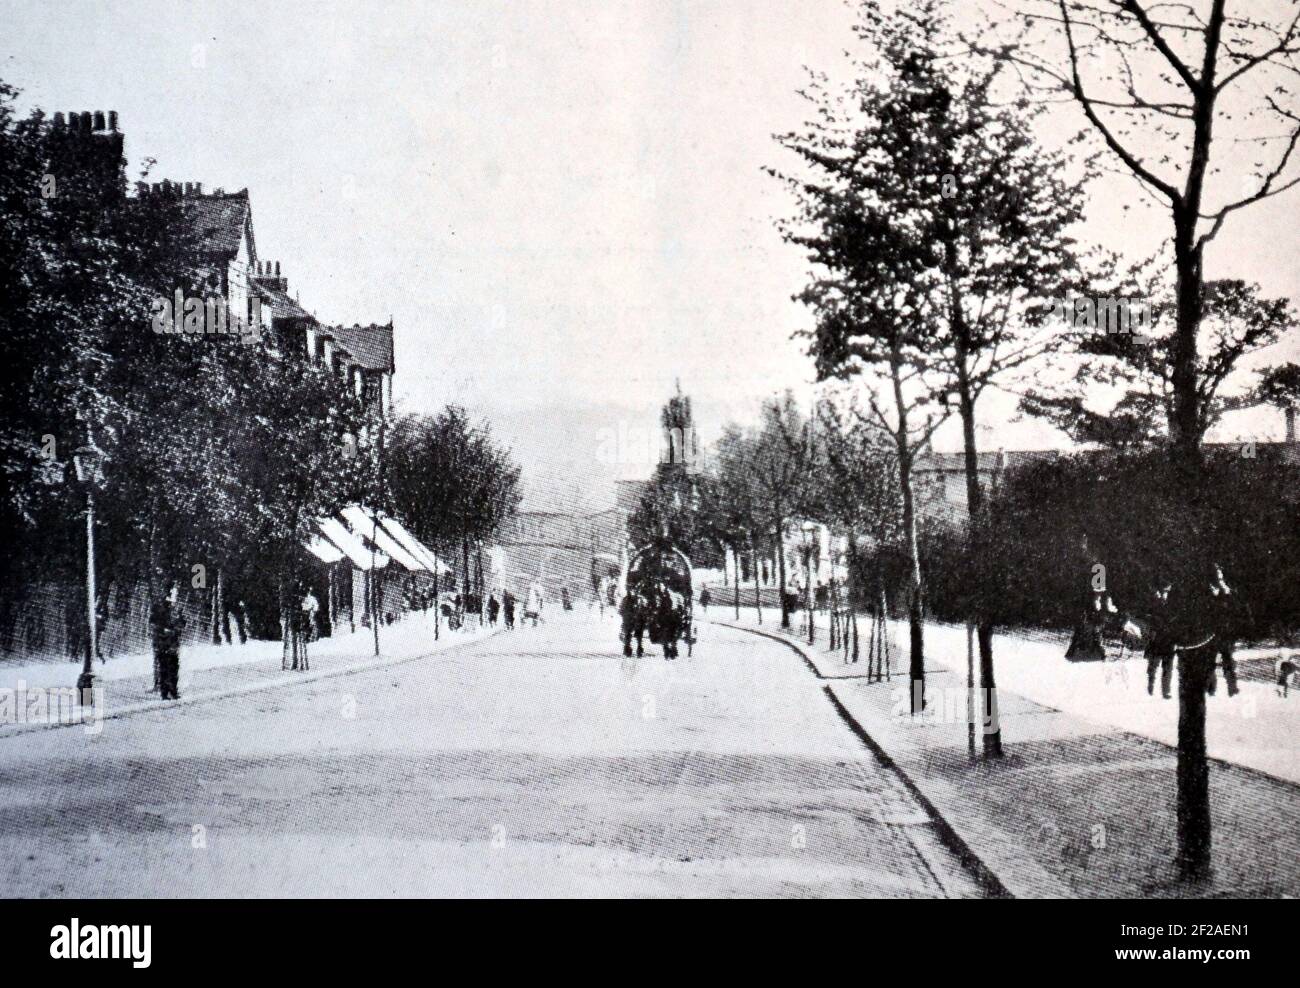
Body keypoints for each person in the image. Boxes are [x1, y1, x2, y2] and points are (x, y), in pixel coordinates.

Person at [1207, 563, 1241, 697]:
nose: (1221, 580)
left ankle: (1232, 688)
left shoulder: (1226, 593)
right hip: (1211, 633)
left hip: (1225, 633)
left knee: (1228, 660)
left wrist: (1227, 594)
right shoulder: (1208, 593)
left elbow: (1233, 610)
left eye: (1222, 578)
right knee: (1210, 661)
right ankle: (1211, 688)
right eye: (1219, 578)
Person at [150, 583, 186, 701]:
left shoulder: (176, 608)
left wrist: (177, 629)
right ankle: (165, 692)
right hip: (163, 642)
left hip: (173, 642)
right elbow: (154, 624)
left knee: (173, 666)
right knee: (164, 667)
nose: (174, 596)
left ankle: (173, 691)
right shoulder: (160, 608)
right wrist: (164, 631)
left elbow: (182, 622)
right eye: (173, 593)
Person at [1144, 580, 1176, 699]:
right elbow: (1148, 619)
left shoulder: (1172, 605)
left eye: (1167, 592)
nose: (1165, 594)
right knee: (1153, 665)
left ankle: (1166, 691)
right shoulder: (1154, 603)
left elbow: (1175, 623)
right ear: (1159, 591)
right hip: (1156, 639)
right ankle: (1150, 685)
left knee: (1168, 667)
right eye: (1163, 592)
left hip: (1169, 640)